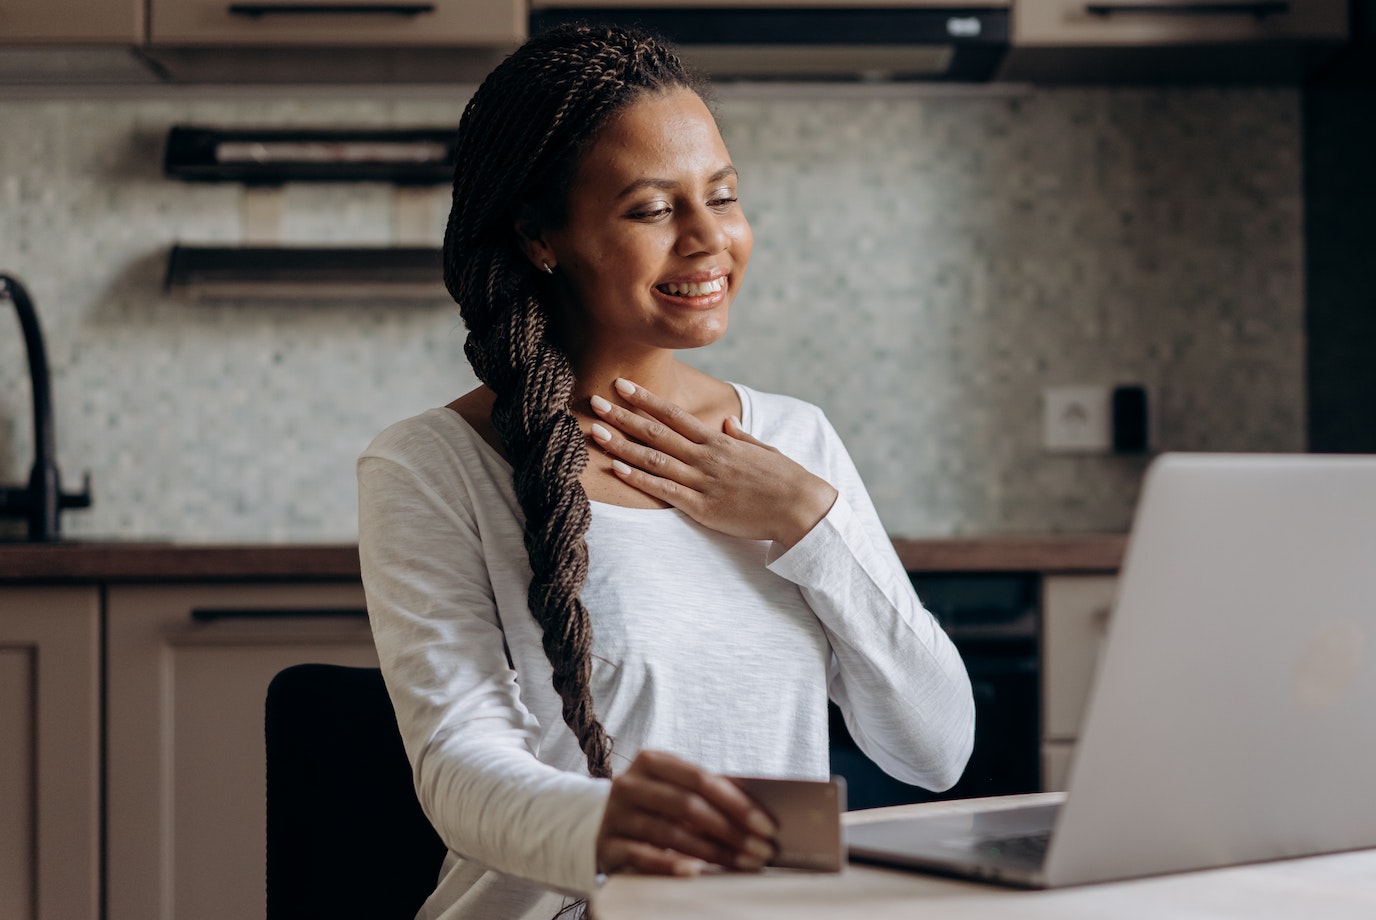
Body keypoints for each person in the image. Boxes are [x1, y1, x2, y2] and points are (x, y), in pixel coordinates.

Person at [356, 22, 976, 920]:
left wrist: (811, 518)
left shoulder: (795, 442)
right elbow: (459, 766)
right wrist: (615, 827)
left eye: (721, 197)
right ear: (540, 236)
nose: (707, 241)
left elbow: (936, 750)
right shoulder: (432, 466)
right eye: (652, 209)